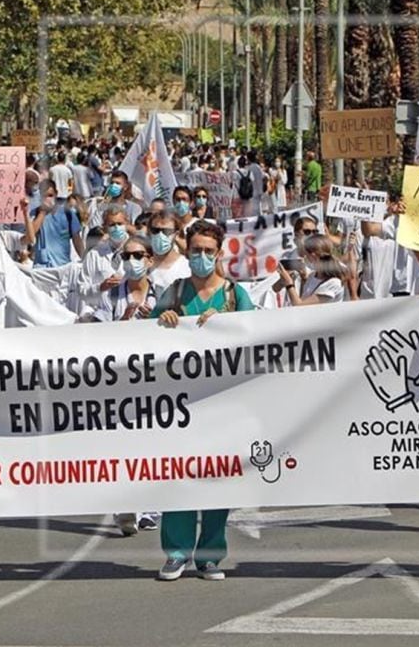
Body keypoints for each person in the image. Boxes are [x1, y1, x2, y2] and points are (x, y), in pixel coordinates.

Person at [152, 221, 254, 581]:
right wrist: (163, 321)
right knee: (179, 476)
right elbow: (142, 339)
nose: (202, 257)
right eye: (196, 250)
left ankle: (209, 555)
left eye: (209, 251)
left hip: (224, 405)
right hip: (181, 405)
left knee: (218, 477)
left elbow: (258, 334)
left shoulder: (234, 295)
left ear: (219, 253)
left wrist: (228, 322)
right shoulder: (174, 293)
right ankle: (176, 553)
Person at [25, 180, 84, 268]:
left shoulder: (68, 213)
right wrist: (42, 213)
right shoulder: (35, 213)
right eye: (44, 196)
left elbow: (77, 240)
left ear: (56, 194)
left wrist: (84, 259)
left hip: (62, 266)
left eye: (50, 195)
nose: (47, 199)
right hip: (41, 267)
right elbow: (30, 237)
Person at [277, 234, 349, 305]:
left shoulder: (333, 283)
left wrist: (289, 284)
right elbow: (303, 299)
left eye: (306, 254)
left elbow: (299, 306)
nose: (305, 257)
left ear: (313, 255)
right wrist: (304, 279)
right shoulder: (312, 275)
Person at [147, 211, 191, 298]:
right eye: (155, 230)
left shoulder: (187, 267)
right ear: (149, 232)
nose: (160, 235)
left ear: (176, 234)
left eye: (166, 231)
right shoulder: (139, 263)